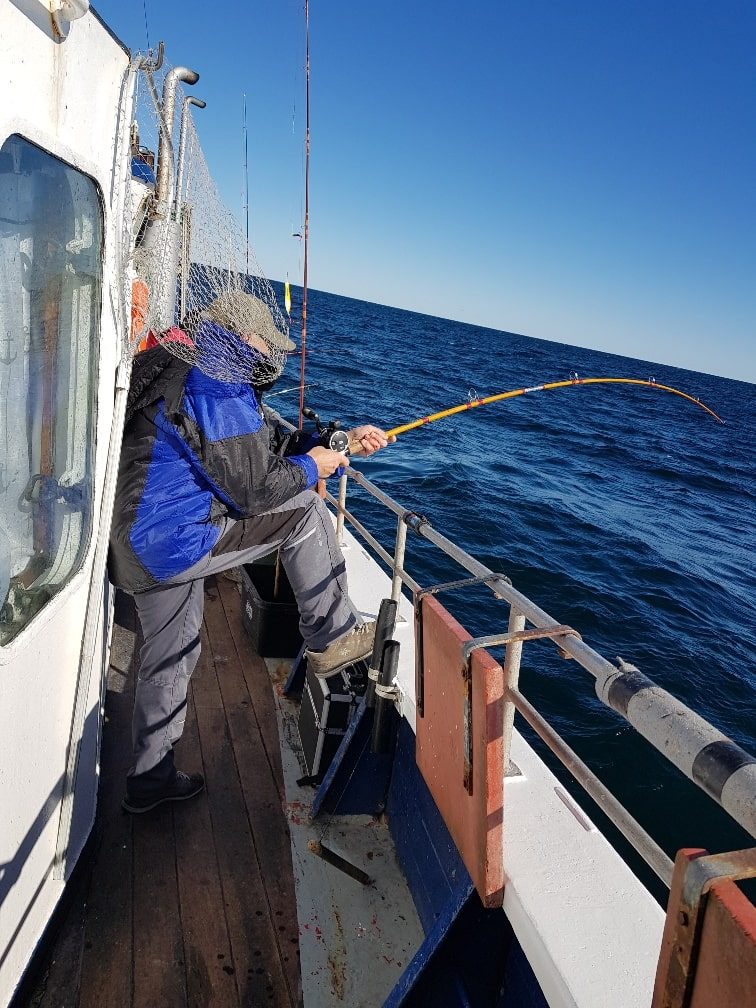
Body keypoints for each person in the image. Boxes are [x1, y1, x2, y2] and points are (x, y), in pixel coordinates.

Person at [108, 290, 394, 814]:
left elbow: (244, 457)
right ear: (242, 335)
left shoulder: (191, 359)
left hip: (138, 539)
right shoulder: (217, 380)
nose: (270, 352)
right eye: (265, 340)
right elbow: (252, 492)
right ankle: (333, 637)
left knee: (173, 650)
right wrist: (315, 470)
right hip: (174, 540)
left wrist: (340, 440)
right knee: (306, 510)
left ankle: (149, 777)